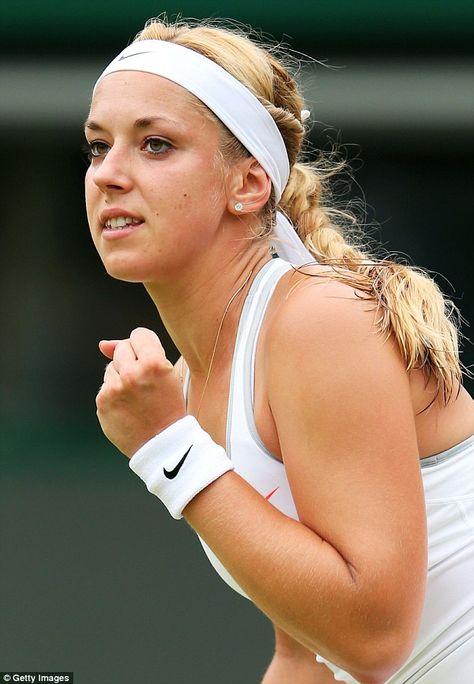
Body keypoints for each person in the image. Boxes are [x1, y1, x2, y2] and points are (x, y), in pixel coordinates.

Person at [84, 16, 474, 683]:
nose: (109, 175)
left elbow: (372, 642)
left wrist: (167, 449)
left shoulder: (317, 322)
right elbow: (305, 654)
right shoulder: (189, 388)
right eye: (97, 147)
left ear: (249, 184)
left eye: (154, 144)